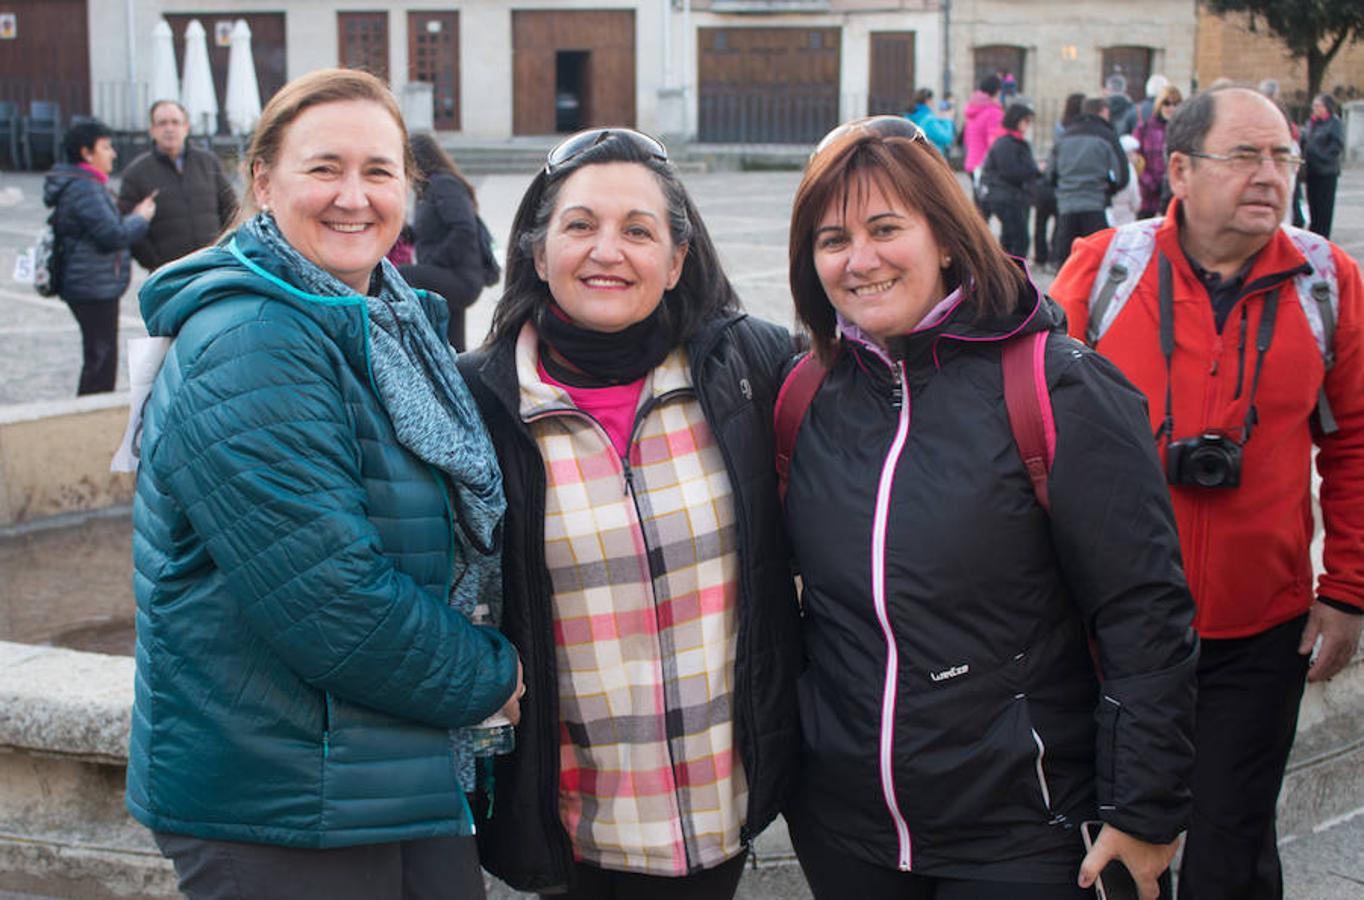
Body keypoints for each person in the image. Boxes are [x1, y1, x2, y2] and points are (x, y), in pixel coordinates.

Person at [126, 68, 524, 900]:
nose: (355, 196)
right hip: (280, 795)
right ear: (264, 181)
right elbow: (333, 602)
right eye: (324, 169)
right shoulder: (255, 340)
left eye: (379, 171)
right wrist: (493, 674)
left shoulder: (383, 316)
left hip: (372, 766)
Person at [781, 115, 1198, 900]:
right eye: (832, 239)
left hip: (1024, 832)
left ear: (945, 237)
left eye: (884, 228)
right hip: (850, 829)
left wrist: (1145, 810)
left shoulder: (1058, 387)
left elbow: (1145, 611)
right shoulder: (806, 396)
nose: (859, 260)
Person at [457, 128, 801, 899]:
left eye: (638, 230)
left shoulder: (751, 370)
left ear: (676, 261)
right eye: (580, 225)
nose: (607, 250)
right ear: (537, 252)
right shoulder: (475, 400)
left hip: (724, 814)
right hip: (572, 828)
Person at [1051, 86, 1364, 900]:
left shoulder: (1327, 282)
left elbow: (1356, 444)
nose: (1271, 175)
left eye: (1283, 156)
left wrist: (1348, 592)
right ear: (1179, 169)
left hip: (1259, 630)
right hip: (1111, 628)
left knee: (1234, 850)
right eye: (1246, 156)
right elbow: (1031, 426)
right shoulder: (1107, 268)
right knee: (1111, 852)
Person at [44, 118, 156, 395]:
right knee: (101, 358)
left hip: (90, 282)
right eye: (106, 147)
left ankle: (92, 405)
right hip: (91, 285)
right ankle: (90, 411)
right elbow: (112, 235)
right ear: (87, 153)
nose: (113, 154)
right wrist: (140, 218)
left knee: (99, 353)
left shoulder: (85, 184)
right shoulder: (85, 188)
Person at [117, 99, 237, 272]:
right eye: (162, 123)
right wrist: (154, 261)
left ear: (186, 127)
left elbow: (231, 210)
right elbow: (130, 226)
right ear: (152, 130)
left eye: (175, 122)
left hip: (214, 266)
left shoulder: (208, 162)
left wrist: (225, 250)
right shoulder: (136, 173)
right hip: (170, 273)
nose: (169, 129)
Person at [399, 133, 487, 351]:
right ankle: (457, 375)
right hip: (450, 274)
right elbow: (431, 232)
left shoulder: (445, 185)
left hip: (460, 277)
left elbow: (464, 229)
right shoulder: (428, 189)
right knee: (454, 347)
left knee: (402, 276)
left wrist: (434, 261)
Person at [1049, 97, 1128, 268]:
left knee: (1066, 262)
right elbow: (1122, 175)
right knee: (1096, 259)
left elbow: (1050, 173)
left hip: (1067, 204)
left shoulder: (1065, 135)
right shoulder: (1107, 135)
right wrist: (1109, 190)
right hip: (1095, 203)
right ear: (1104, 112)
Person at [980, 102, 1040, 257]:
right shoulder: (1006, 143)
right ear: (1017, 120)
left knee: (1011, 237)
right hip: (1006, 196)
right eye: (1026, 121)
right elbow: (1011, 171)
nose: (1028, 126)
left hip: (1012, 196)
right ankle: (1015, 273)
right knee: (1019, 239)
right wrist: (1036, 170)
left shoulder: (1014, 141)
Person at [1133, 84, 1182, 218]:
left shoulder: (1184, 132)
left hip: (1174, 197)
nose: (1171, 108)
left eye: (1175, 104)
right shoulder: (1144, 129)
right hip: (1147, 199)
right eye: (1166, 103)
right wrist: (1151, 184)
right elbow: (1136, 160)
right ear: (1159, 105)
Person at [1304, 93, 1344, 239]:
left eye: (1318, 105)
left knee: (1324, 208)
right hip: (1311, 170)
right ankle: (1313, 235)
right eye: (1313, 105)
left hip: (1326, 171)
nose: (1314, 108)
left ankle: (1323, 237)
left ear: (1326, 107)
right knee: (1313, 206)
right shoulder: (1311, 122)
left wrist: (1319, 155)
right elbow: (1305, 141)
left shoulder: (1334, 123)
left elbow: (1337, 145)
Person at [963, 74, 1004, 198]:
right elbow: (995, 142)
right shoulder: (994, 113)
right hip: (985, 166)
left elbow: (967, 138)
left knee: (979, 208)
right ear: (997, 91)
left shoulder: (974, 109)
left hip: (972, 163)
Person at [1109, 134, 1143, 226]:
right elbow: (1135, 197)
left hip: (1111, 214)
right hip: (1127, 215)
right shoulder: (1130, 170)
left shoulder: (1112, 168)